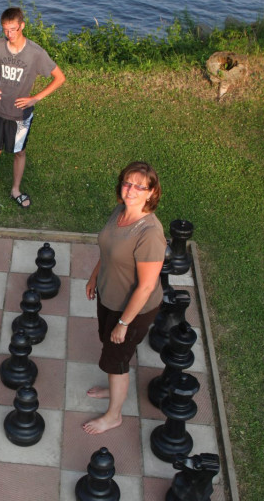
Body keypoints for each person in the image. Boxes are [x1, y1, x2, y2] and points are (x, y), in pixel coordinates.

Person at [83, 161, 166, 434]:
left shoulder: (150, 234)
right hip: (109, 295)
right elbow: (108, 249)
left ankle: (114, 415)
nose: (131, 190)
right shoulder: (120, 211)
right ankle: (113, 388)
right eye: (127, 183)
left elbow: (146, 287)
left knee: (117, 358)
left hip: (133, 310)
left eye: (139, 186)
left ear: (151, 193)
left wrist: (123, 323)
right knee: (110, 349)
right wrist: (96, 276)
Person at [0, 7, 66, 213]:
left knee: (19, 152)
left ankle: (15, 190)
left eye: (14, 29)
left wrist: (35, 98)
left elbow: (59, 77)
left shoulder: (36, 53)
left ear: (22, 26)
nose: (10, 34)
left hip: (20, 115)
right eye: (6, 30)